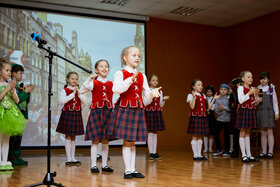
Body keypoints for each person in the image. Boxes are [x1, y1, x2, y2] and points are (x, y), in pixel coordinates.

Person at [107, 46, 161, 179]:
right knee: (127, 140)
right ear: (125, 58)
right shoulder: (120, 73)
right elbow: (116, 90)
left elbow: (145, 98)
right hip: (125, 109)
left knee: (132, 141)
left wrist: (152, 95)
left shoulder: (142, 75)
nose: (137, 57)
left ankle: (133, 169)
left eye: (138, 55)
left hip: (137, 109)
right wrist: (131, 79)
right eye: (134, 55)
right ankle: (127, 170)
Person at [80, 59, 114, 173]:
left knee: (105, 140)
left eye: (106, 66)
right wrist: (90, 78)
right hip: (96, 112)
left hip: (108, 113)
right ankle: (93, 165)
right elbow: (81, 91)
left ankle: (104, 165)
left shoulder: (111, 84)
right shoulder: (93, 83)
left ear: (108, 69)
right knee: (95, 140)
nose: (104, 68)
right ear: (96, 70)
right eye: (101, 66)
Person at [0, 59, 26, 170]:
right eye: (7, 70)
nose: (9, 73)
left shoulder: (9, 84)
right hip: (1, 113)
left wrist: (12, 91)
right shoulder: (2, 85)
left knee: (6, 139)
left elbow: (16, 100)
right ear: (0, 71)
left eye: (10, 71)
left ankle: (5, 161)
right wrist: (6, 89)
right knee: (0, 138)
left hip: (9, 114)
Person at [56, 72, 86, 165]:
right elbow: (63, 101)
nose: (75, 81)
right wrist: (73, 93)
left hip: (76, 114)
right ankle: (68, 158)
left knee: (74, 137)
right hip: (67, 113)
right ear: (68, 80)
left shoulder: (79, 91)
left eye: (76, 79)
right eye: (72, 79)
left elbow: (85, 101)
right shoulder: (65, 90)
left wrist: (79, 93)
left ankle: (73, 157)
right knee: (68, 136)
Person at [8, 64, 35, 165]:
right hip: (14, 115)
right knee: (13, 138)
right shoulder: (10, 85)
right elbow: (17, 100)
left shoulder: (20, 86)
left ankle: (17, 156)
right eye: (20, 73)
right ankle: (11, 157)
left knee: (19, 137)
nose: (22, 75)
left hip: (22, 115)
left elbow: (26, 101)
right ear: (13, 73)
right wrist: (25, 92)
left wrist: (28, 92)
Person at [187, 79, 218, 161]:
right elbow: (192, 107)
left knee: (200, 136)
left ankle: (199, 155)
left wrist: (214, 99)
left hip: (202, 117)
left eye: (201, 85)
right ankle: (195, 155)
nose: (201, 86)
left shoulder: (203, 96)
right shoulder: (190, 95)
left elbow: (207, 108)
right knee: (195, 135)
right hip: (195, 117)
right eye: (198, 85)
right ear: (193, 87)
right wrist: (194, 98)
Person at [235, 71, 261, 162]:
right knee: (242, 132)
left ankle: (249, 155)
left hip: (251, 111)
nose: (251, 79)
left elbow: (255, 102)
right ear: (243, 79)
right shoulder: (240, 88)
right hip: (243, 111)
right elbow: (241, 100)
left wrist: (257, 97)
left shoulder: (253, 88)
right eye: (248, 77)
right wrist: (250, 93)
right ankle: (244, 155)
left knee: (248, 132)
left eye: (252, 77)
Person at [144, 74, 170, 160]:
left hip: (157, 112)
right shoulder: (147, 91)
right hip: (149, 112)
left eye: (156, 80)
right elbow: (145, 102)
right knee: (150, 132)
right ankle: (150, 152)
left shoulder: (160, 91)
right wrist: (151, 96)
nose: (155, 82)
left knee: (155, 133)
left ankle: (154, 152)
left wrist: (163, 100)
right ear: (149, 82)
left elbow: (160, 105)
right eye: (153, 80)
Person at [256, 72, 279, 159]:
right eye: (261, 79)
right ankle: (264, 152)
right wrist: (257, 100)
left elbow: (275, 101)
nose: (263, 80)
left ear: (268, 80)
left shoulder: (271, 88)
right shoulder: (258, 89)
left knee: (269, 132)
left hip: (269, 112)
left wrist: (276, 113)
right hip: (261, 112)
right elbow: (257, 101)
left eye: (265, 78)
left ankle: (270, 152)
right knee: (262, 132)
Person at [212, 84, 231, 157]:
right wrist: (219, 110)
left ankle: (226, 150)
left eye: (225, 89)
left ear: (227, 91)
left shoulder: (229, 98)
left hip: (227, 120)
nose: (223, 91)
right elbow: (216, 109)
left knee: (226, 135)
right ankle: (218, 149)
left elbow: (231, 108)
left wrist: (225, 108)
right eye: (221, 89)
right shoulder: (218, 99)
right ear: (219, 90)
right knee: (216, 133)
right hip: (219, 119)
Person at [203, 85, 216, 153]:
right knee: (205, 133)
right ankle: (205, 148)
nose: (209, 93)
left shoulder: (214, 99)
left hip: (211, 117)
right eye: (207, 91)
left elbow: (213, 108)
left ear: (212, 92)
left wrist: (208, 108)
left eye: (210, 91)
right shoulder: (204, 99)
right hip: (205, 117)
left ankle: (210, 148)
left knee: (211, 133)